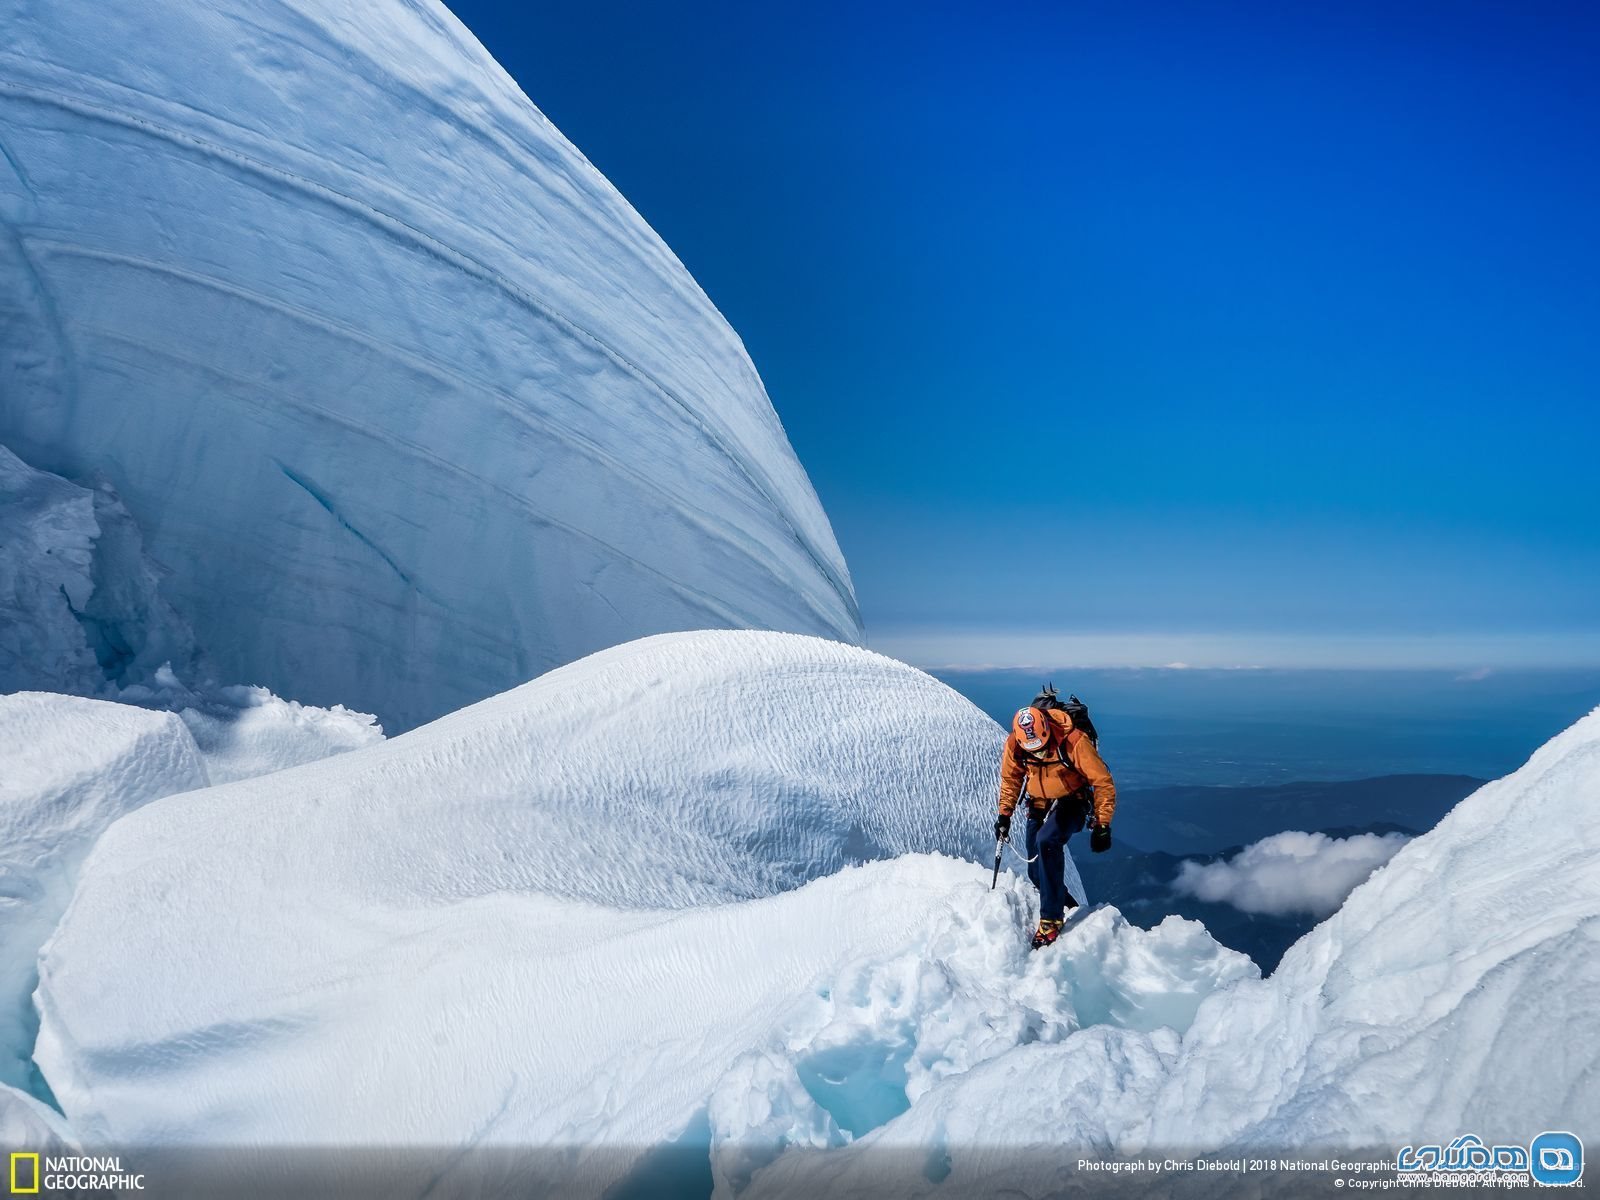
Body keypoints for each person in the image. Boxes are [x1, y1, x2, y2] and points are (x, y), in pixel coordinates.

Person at [993, 692, 1116, 949]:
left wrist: (1103, 824)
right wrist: (1004, 815)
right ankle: (1068, 906)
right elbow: (1011, 779)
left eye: (1040, 747)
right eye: (1032, 751)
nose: (1036, 754)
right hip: (1039, 802)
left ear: (1047, 730)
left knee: (1047, 841)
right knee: (1036, 872)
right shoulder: (1016, 743)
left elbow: (1102, 781)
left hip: (1073, 800)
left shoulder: (1073, 740)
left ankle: (1050, 920)